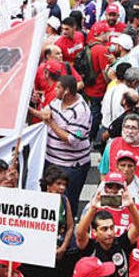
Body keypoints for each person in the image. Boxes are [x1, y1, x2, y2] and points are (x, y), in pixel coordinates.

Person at [28, 75, 92, 217]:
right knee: (48, 198)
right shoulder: (57, 101)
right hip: (52, 160)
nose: (55, 90)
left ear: (66, 91)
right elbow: (46, 114)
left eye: (58, 87)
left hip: (71, 166)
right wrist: (30, 108)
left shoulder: (81, 111)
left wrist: (51, 123)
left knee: (67, 201)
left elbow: (71, 139)